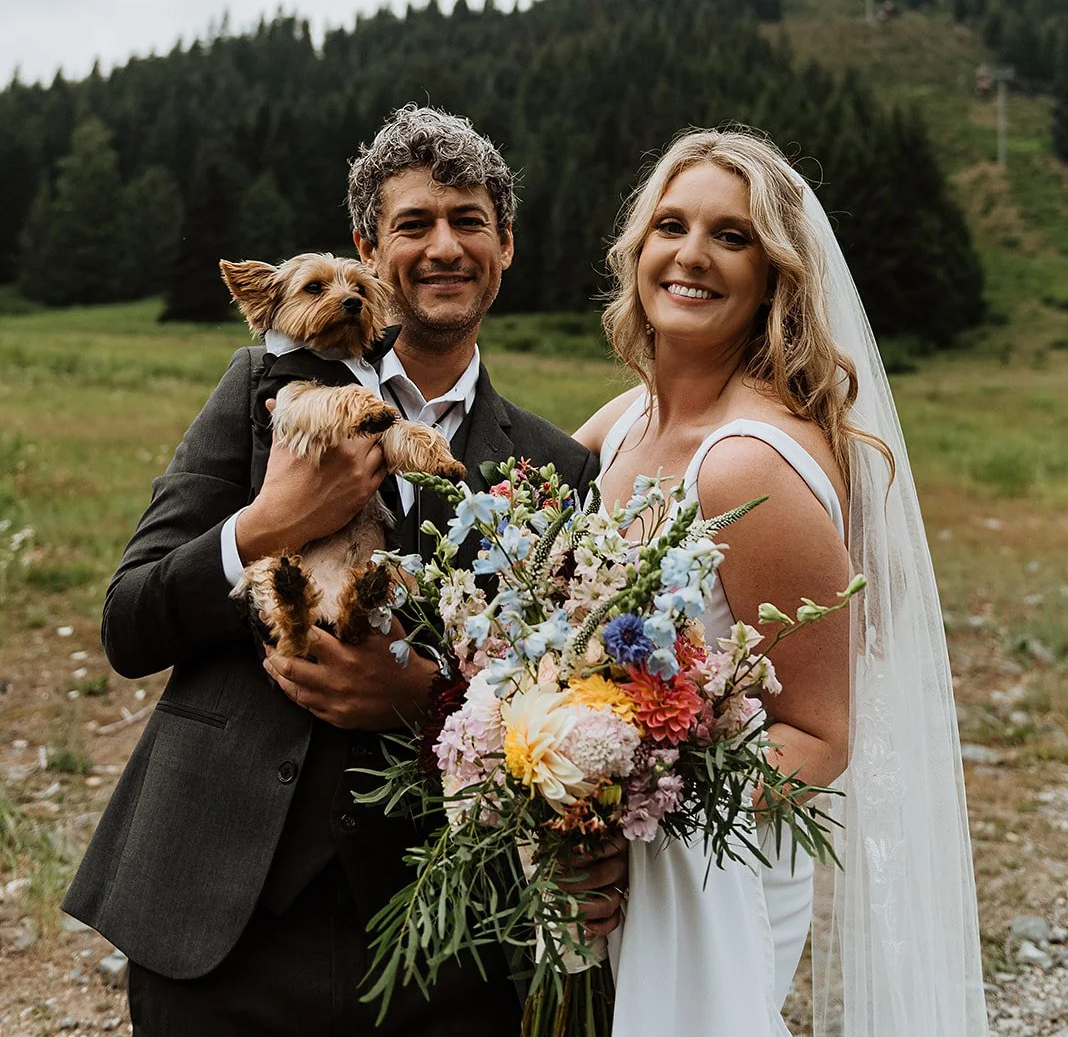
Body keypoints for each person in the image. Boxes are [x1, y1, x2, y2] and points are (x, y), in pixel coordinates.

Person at [64, 105, 615, 1036]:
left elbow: (560, 692)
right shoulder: (254, 388)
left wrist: (426, 694)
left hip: (441, 945)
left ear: (506, 246)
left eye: (469, 221)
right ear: (367, 247)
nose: (444, 247)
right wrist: (267, 524)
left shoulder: (559, 465)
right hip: (219, 914)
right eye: (413, 224)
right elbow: (130, 622)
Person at [574, 127, 988, 1037]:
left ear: (776, 274)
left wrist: (627, 809)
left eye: (731, 236)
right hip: (606, 867)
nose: (690, 255)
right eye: (670, 225)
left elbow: (820, 733)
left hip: (707, 879)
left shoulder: (747, 466)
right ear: (636, 248)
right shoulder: (620, 424)